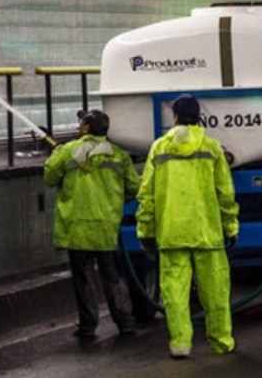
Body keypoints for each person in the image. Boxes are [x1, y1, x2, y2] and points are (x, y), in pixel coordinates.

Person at [137, 95, 239, 359]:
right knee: (215, 291)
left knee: (174, 293)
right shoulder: (212, 147)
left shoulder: (159, 148)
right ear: (199, 117)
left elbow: (146, 195)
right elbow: (225, 193)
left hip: (172, 232)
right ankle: (221, 342)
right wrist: (230, 226)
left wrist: (145, 231)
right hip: (207, 232)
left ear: (175, 118)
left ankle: (180, 344)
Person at [43, 109, 140, 340]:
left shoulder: (68, 151)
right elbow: (133, 188)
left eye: (82, 122)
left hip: (77, 227)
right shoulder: (118, 155)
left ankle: (88, 326)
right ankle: (125, 321)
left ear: (86, 128)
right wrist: (113, 204)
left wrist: (54, 154)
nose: (79, 125)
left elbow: (49, 177)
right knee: (112, 275)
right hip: (105, 226)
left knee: (83, 278)